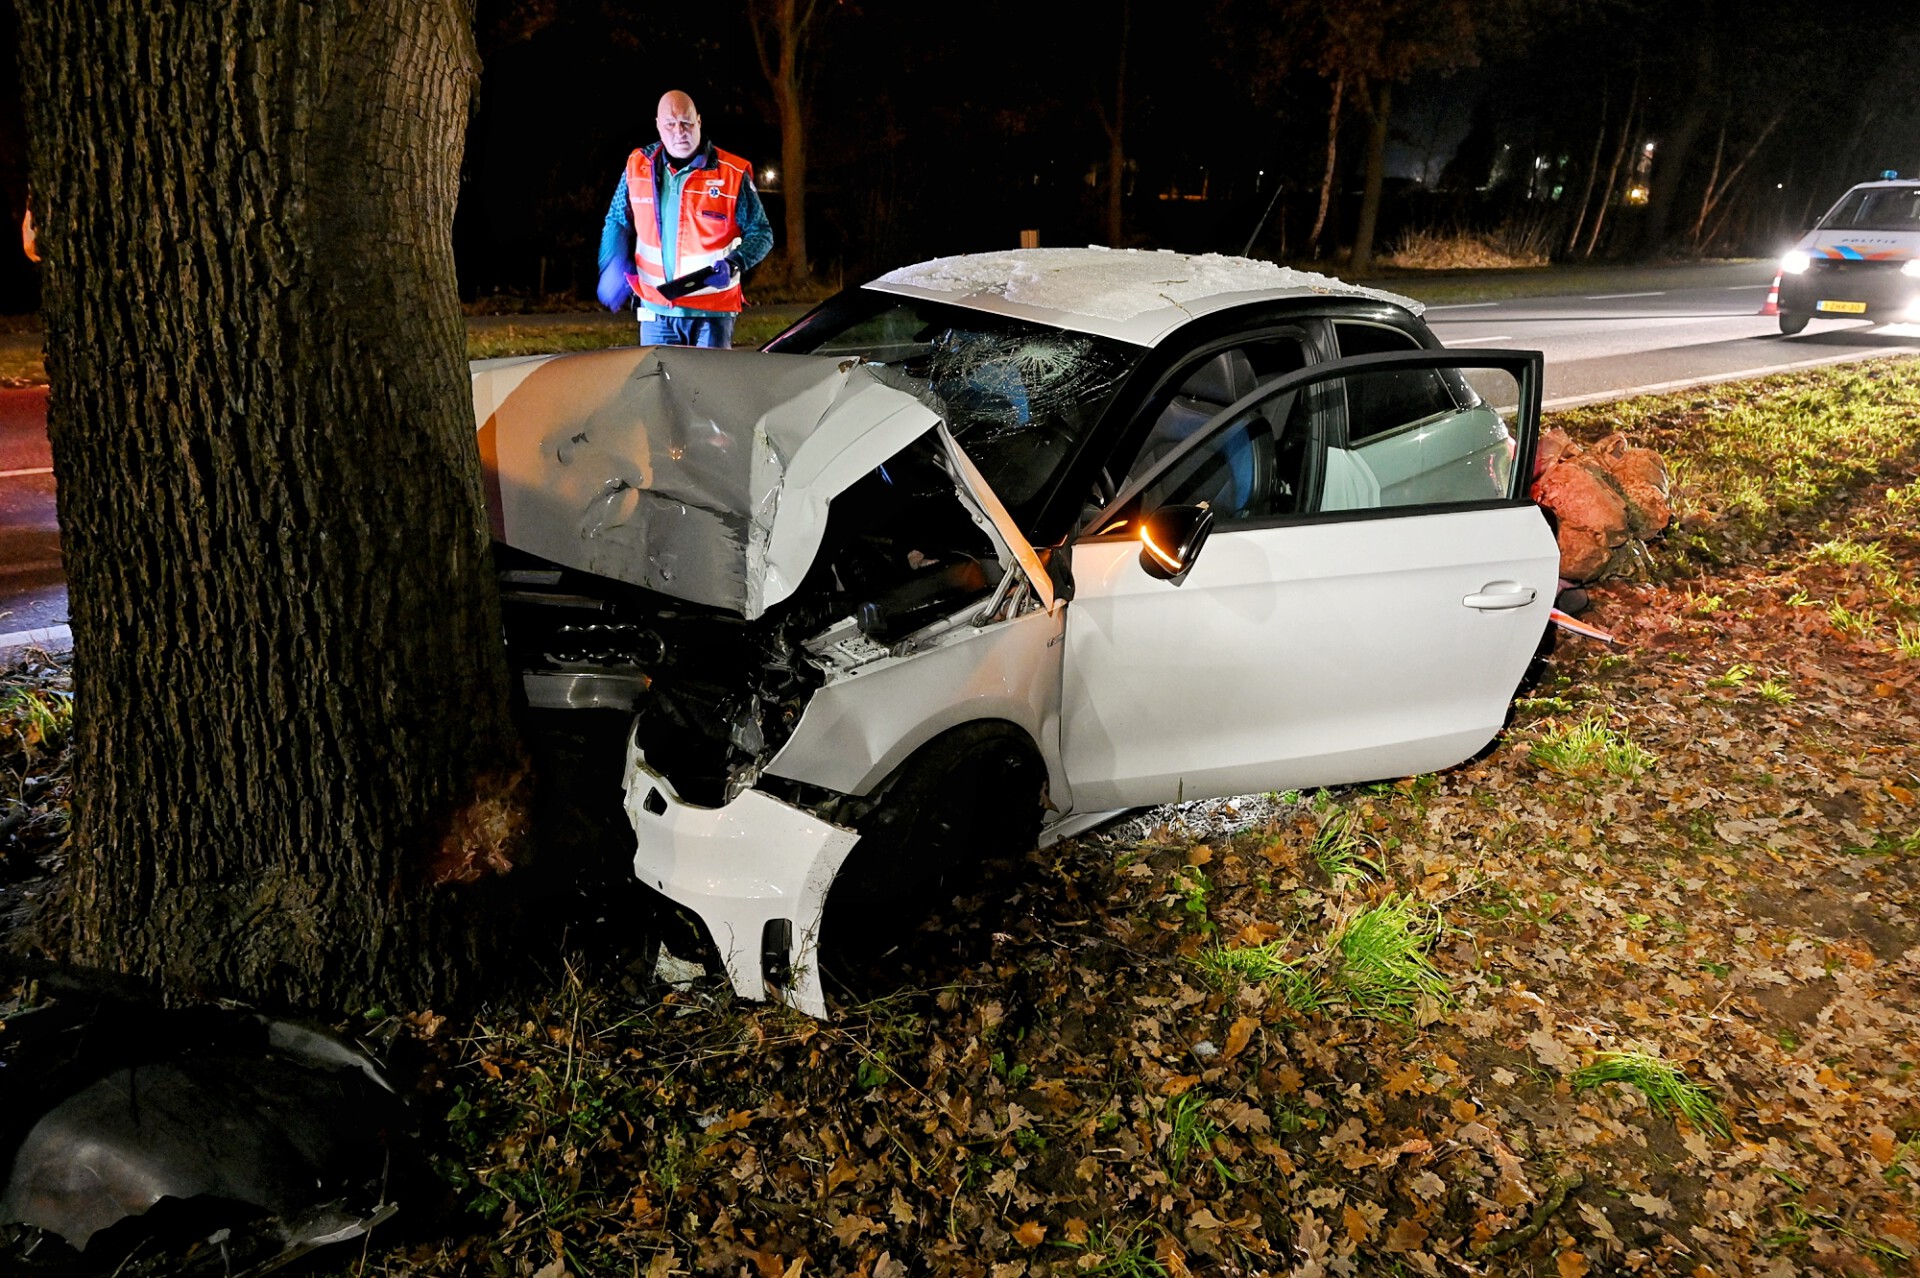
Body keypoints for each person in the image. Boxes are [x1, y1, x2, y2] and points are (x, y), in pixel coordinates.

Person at [597, 90, 773, 349]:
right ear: (658, 126)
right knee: (660, 388)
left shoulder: (731, 174)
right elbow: (617, 219)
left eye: (686, 123)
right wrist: (611, 259)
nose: (679, 131)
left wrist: (736, 262)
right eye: (670, 124)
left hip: (712, 312)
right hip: (656, 309)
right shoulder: (638, 167)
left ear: (699, 122)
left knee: (705, 388)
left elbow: (761, 232)